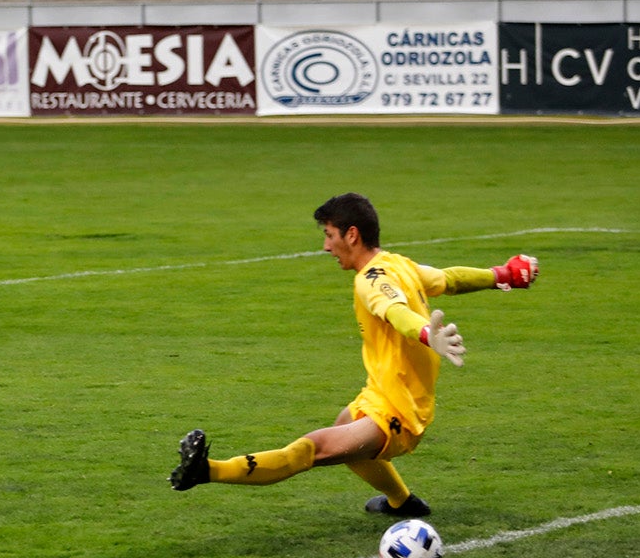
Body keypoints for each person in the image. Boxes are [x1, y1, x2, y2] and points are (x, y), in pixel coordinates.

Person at [170, 193, 539, 516]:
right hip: (380, 393)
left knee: (310, 450)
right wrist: (502, 274)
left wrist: (427, 334)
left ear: (351, 234)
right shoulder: (399, 264)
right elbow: (450, 279)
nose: (326, 247)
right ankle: (401, 502)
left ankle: (207, 471)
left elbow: (395, 312)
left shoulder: (371, 280)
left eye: (329, 236)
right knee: (342, 428)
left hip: (399, 411)